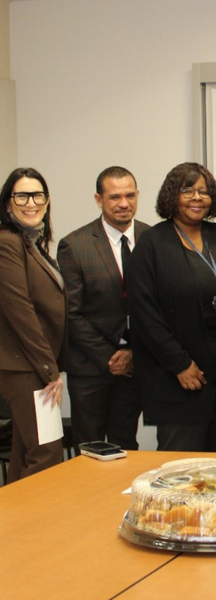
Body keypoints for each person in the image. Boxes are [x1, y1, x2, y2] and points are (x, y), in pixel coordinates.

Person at [128, 162, 216, 452]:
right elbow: (144, 313)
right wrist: (179, 364)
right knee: (181, 472)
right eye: (188, 191)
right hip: (180, 379)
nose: (197, 198)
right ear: (172, 196)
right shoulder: (152, 243)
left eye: (204, 192)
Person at [57, 166, 149, 451]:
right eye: (114, 197)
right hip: (91, 368)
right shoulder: (75, 245)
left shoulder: (153, 238)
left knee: (126, 445)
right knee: (89, 448)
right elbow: (71, 313)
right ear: (99, 199)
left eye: (130, 195)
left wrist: (133, 352)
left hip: (136, 365)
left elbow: (156, 306)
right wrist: (110, 357)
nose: (124, 203)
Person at [0, 168, 66, 482]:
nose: (31, 202)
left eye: (38, 195)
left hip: (33, 367)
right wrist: (49, 369)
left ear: (47, 200)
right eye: (22, 195)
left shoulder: (32, 243)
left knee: (25, 453)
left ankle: (10, 529)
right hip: (26, 369)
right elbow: (20, 311)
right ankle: (40, 531)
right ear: (8, 203)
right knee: (47, 453)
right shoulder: (7, 242)